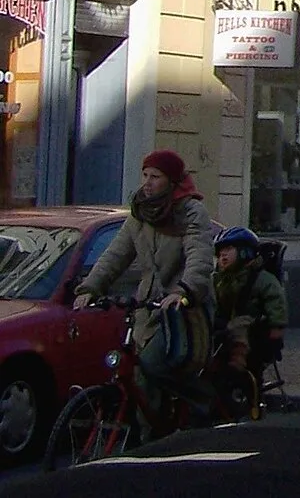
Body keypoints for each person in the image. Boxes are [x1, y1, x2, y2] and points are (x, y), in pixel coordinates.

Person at [72, 149, 214, 425]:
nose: (147, 182)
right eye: (145, 175)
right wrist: (90, 288)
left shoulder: (191, 212)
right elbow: (116, 254)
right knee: (137, 374)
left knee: (154, 362)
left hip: (182, 307)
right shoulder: (139, 212)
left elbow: (200, 256)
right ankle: (149, 439)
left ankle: (202, 401)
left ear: (172, 181)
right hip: (147, 305)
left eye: (155, 176)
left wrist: (183, 291)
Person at [211, 227, 287, 379]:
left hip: (252, 322)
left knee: (239, 325)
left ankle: (237, 362)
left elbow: (276, 302)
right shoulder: (218, 279)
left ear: (245, 251)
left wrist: (277, 327)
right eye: (220, 253)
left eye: (228, 249)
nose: (222, 254)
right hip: (224, 320)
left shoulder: (262, 279)